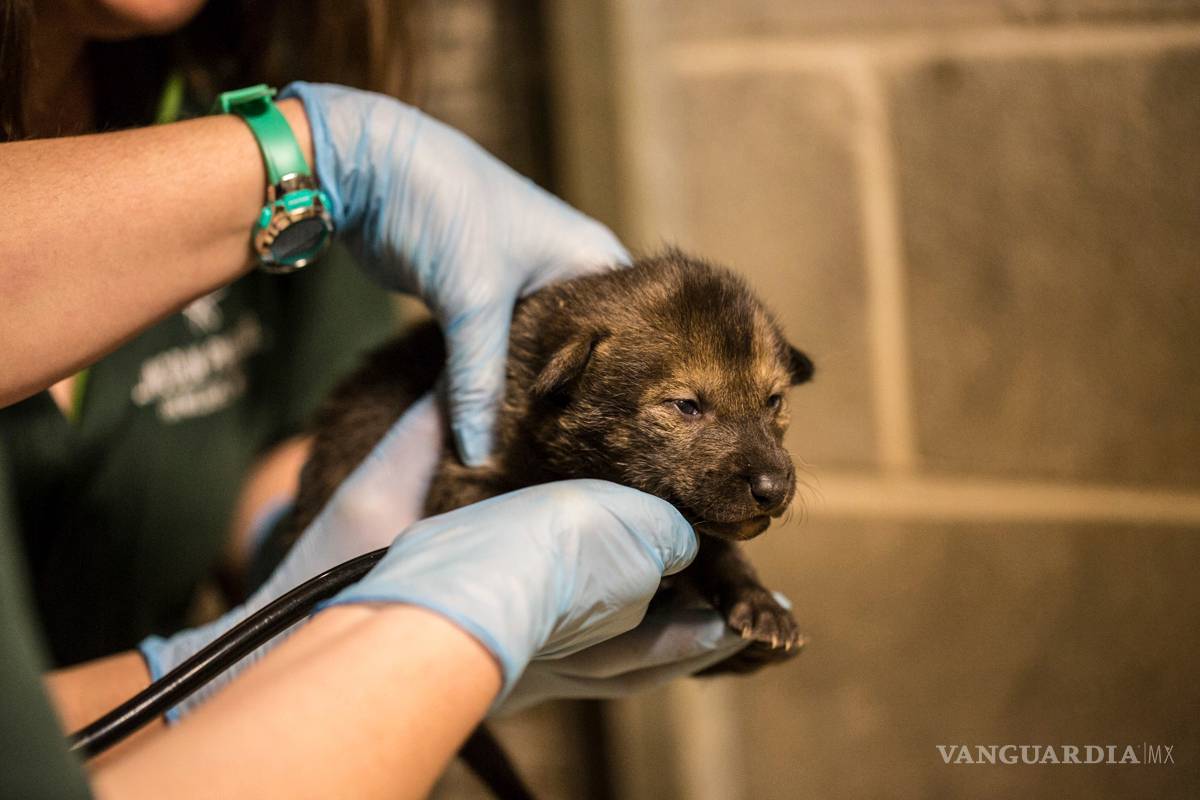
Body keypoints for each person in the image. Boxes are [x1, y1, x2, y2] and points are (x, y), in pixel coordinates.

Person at [0, 1, 750, 797]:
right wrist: (354, 653)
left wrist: (306, 551)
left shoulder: (227, 74)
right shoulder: (299, 173)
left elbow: (288, 431)